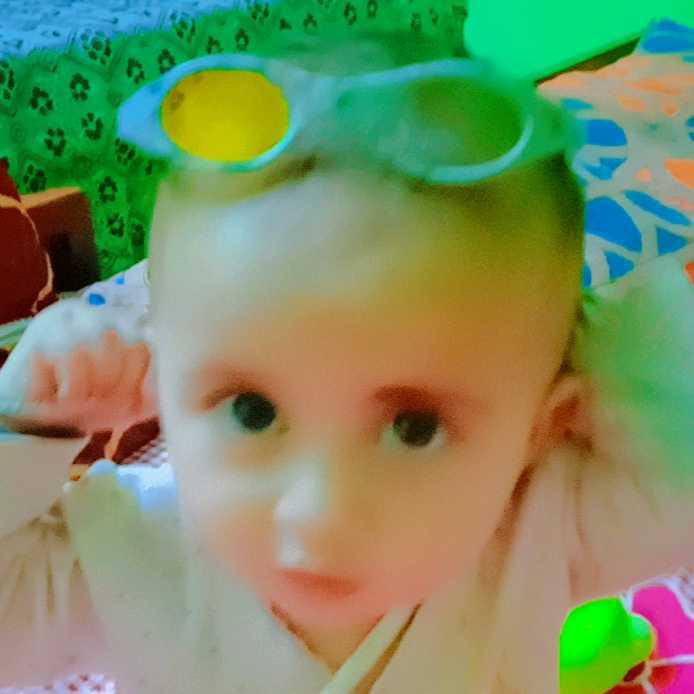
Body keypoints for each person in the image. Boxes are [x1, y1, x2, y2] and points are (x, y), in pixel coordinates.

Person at [1, 32, 693, 694]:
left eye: (416, 426)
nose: (318, 514)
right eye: (251, 410)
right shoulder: (136, 548)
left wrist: (572, 332)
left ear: (542, 427)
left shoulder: (535, 530)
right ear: (163, 378)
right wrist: (25, 427)